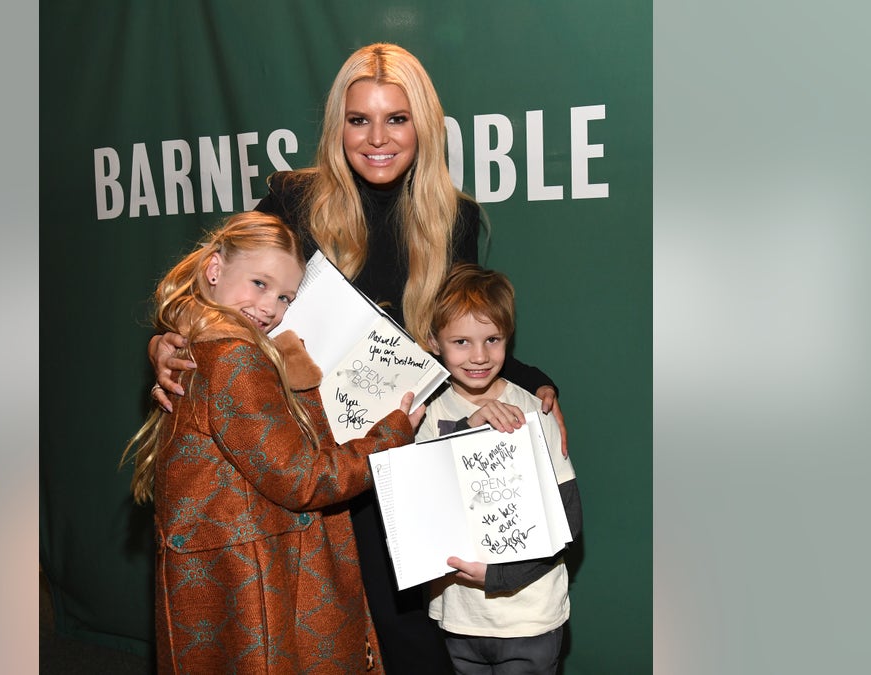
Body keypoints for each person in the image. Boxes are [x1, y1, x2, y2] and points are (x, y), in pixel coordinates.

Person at [149, 43, 567, 673]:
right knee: (327, 642)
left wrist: (532, 382)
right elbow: (227, 285)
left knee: (416, 642)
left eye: (396, 118)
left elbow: (464, 328)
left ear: (422, 126)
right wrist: (167, 336)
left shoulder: (454, 218)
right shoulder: (293, 199)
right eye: (358, 119)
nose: (377, 138)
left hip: (407, 448)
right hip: (310, 457)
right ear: (336, 126)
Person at [122, 211, 424, 674]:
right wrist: (393, 434)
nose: (270, 307)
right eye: (259, 284)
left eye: (285, 296)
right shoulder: (233, 356)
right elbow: (304, 480)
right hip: (253, 581)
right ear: (215, 269)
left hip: (230, 572)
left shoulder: (208, 341)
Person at [416, 264, 583, 675]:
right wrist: (467, 432)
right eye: (461, 341)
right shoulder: (425, 414)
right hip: (458, 617)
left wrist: (501, 573)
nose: (479, 356)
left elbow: (568, 518)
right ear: (434, 342)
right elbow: (416, 503)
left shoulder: (531, 408)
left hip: (529, 617)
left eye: (492, 339)